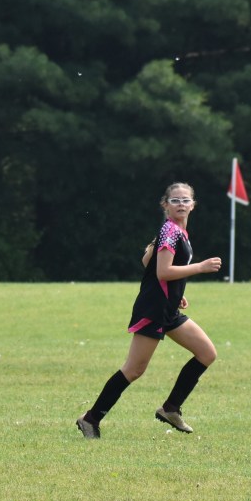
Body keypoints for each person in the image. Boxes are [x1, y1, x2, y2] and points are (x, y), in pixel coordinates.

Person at [75, 182, 222, 439]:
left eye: (185, 200)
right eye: (175, 200)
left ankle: (171, 409)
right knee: (134, 369)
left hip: (168, 308)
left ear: (193, 205)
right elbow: (162, 271)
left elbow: (147, 260)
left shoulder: (174, 231)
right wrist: (200, 267)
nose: (181, 204)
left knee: (206, 353)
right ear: (165, 205)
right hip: (153, 309)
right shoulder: (170, 231)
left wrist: (175, 292)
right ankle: (90, 419)